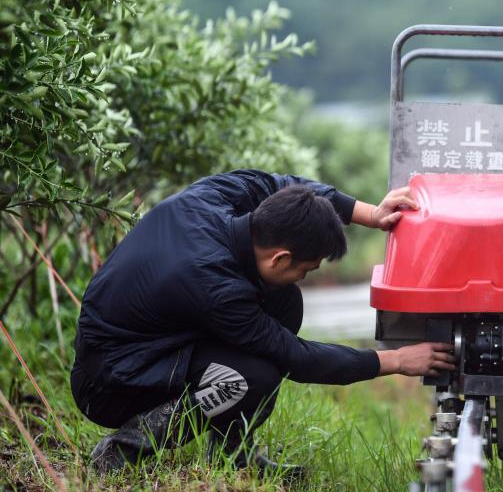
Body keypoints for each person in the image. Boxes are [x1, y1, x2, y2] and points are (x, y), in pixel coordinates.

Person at [71, 169, 456, 475]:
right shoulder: (214, 284)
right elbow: (296, 358)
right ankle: (126, 449)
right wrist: (396, 361)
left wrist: (370, 213)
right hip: (108, 382)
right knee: (255, 375)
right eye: (306, 269)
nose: (306, 277)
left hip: (151, 343)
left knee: (283, 303)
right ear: (280, 259)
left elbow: (283, 186)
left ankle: (231, 454)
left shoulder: (215, 196)